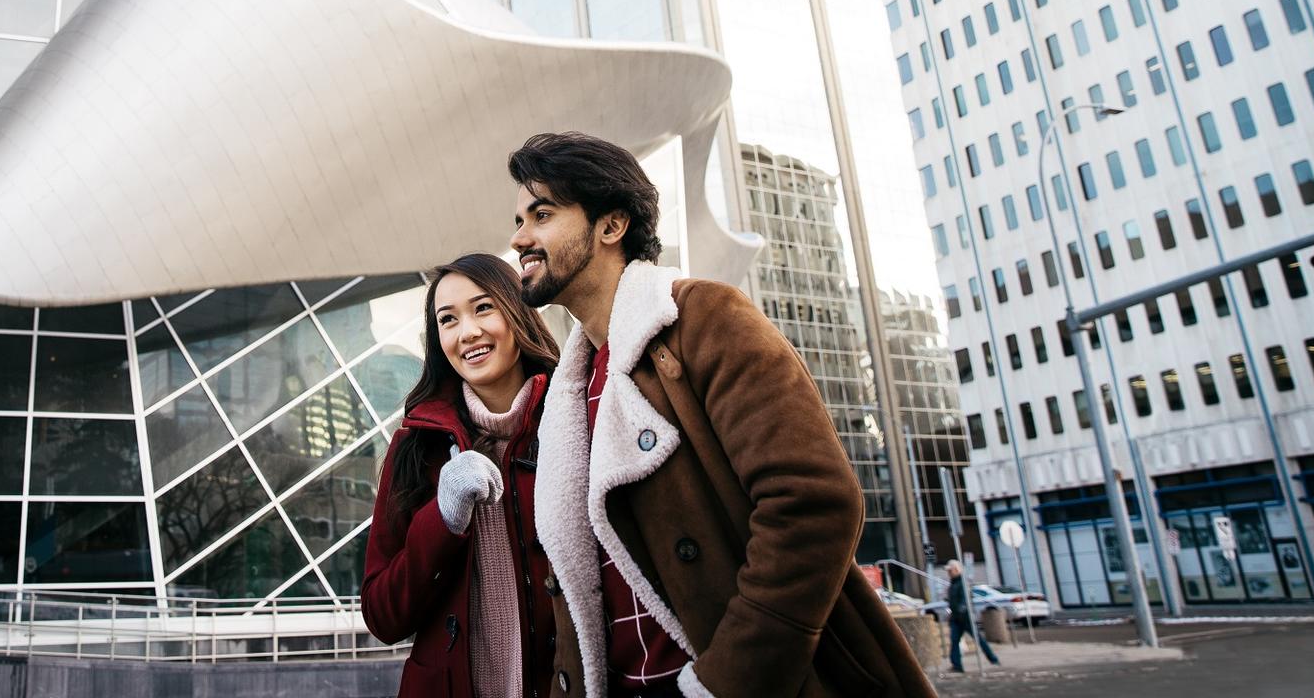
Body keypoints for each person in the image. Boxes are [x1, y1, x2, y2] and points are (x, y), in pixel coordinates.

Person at [508, 131, 937, 698]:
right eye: (519, 220)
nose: (519, 239)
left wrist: (724, 682)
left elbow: (814, 503)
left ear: (611, 227)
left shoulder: (705, 319)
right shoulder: (570, 387)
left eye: (542, 214)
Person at [363, 252, 561, 697]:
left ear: (518, 312)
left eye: (483, 307)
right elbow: (382, 615)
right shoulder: (415, 447)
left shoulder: (574, 422)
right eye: (447, 320)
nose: (467, 332)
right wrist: (443, 519)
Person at [944, 559, 999, 673]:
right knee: (954, 641)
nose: (949, 573)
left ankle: (993, 659)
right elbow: (953, 600)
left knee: (979, 639)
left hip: (965, 617)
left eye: (950, 570)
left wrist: (960, 610)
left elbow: (965, 600)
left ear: (956, 569)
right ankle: (957, 665)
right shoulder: (953, 584)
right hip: (956, 618)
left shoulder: (962, 583)